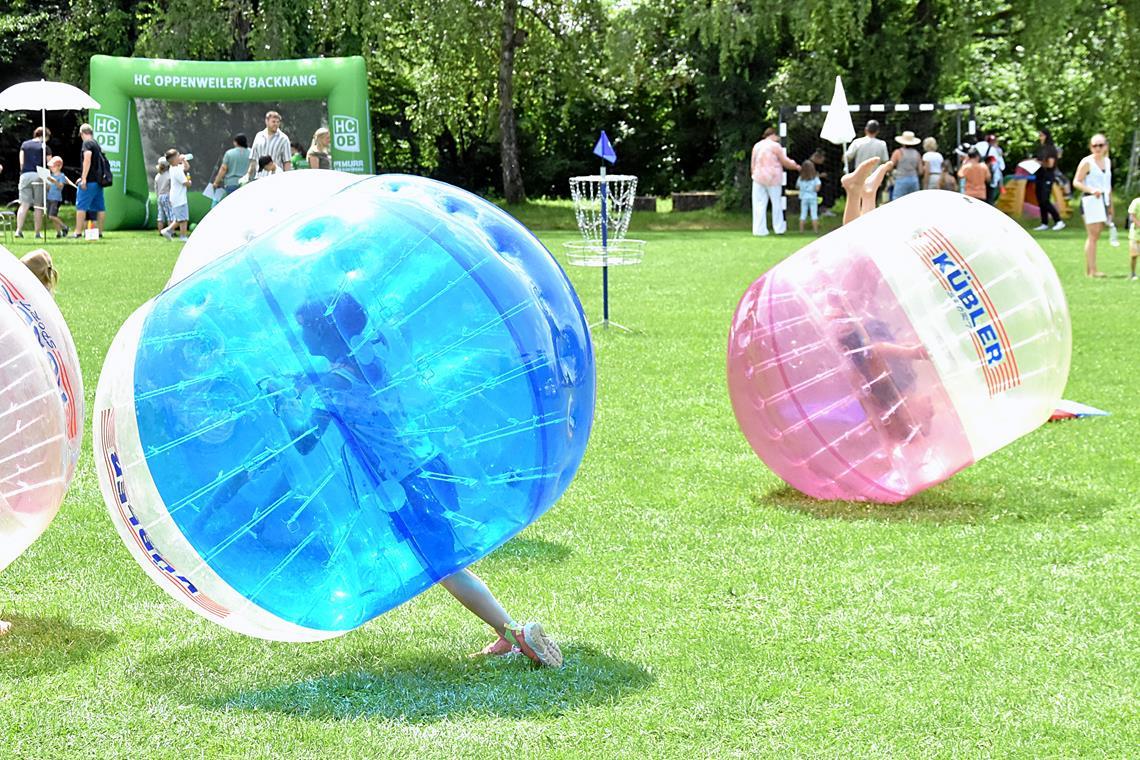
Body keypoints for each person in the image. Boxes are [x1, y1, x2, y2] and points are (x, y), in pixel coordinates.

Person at [275, 294, 563, 666]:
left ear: (322, 332)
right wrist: (308, 379)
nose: (299, 336)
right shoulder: (366, 363)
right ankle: (505, 633)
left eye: (303, 327)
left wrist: (283, 405)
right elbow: (342, 382)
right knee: (445, 561)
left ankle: (516, 633)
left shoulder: (331, 388)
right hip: (424, 465)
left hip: (407, 484)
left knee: (443, 566)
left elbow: (306, 442)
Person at [1073, 133, 1113, 278]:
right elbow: (1076, 181)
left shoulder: (1107, 162)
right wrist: (1091, 190)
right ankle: (1091, 270)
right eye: (1094, 145)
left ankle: (1093, 268)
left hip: (1103, 200)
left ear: (1106, 147)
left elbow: (1108, 185)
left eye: (1100, 145)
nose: (1097, 148)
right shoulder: (1087, 162)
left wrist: (1110, 206)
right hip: (1090, 200)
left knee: (1096, 235)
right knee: (1092, 235)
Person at [750, 127, 800, 236]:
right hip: (773, 178)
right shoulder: (775, 146)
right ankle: (779, 228)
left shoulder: (757, 145)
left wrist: (753, 173)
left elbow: (753, 163)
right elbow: (785, 161)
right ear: (773, 135)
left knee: (759, 204)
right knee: (777, 203)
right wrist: (796, 166)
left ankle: (759, 230)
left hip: (758, 177)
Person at [15, 126, 51, 239]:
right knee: (38, 206)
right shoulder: (44, 147)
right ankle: (37, 233)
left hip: (25, 175)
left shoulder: (24, 145)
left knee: (24, 204)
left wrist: (23, 172)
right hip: (39, 175)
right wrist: (48, 180)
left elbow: (21, 162)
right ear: (45, 136)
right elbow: (49, 163)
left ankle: (18, 230)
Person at [74, 123, 107, 238]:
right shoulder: (96, 144)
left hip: (89, 181)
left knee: (81, 206)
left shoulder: (87, 143)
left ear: (82, 133)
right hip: (98, 181)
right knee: (100, 207)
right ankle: (99, 232)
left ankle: (78, 232)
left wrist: (83, 178)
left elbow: (87, 159)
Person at [1033, 129, 1064, 231]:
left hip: (1047, 176)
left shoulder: (1050, 149)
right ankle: (1044, 222)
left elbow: (1050, 164)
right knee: (1040, 200)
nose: (1040, 137)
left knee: (1045, 200)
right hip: (1039, 176)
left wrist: (1040, 163)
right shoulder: (1041, 148)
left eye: (1042, 135)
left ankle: (1058, 221)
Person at [246, 110, 291, 180]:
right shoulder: (259, 136)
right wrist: (248, 175)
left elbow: (287, 162)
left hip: (276, 177)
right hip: (259, 177)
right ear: (266, 121)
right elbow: (253, 159)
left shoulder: (284, 139)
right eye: (273, 122)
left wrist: (287, 178)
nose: (276, 124)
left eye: (278, 122)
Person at [160, 149, 191, 241]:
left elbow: (186, 168)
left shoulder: (176, 167)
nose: (180, 156)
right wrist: (189, 181)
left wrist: (184, 160)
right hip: (178, 197)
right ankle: (183, 236)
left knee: (180, 218)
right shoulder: (176, 170)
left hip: (178, 197)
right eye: (178, 156)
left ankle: (167, 231)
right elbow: (186, 183)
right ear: (173, 159)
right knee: (183, 219)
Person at [211, 133, 250, 204]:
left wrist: (216, 182)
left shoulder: (229, 153)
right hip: (247, 183)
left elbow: (223, 169)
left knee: (233, 205)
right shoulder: (251, 152)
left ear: (235, 142)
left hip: (231, 183)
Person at [42, 156, 72, 238]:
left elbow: (60, 187)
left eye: (53, 166)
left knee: (52, 216)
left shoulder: (61, 176)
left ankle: (65, 227)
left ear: (59, 166)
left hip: (56, 199)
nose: (51, 168)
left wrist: (55, 182)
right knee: (51, 216)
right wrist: (46, 184)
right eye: (50, 166)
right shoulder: (50, 175)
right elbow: (48, 188)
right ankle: (58, 232)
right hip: (49, 197)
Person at [889, 131, 923, 199]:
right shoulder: (917, 154)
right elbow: (921, 171)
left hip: (901, 179)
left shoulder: (898, 152)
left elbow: (890, 166)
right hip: (914, 179)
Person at [796, 161, 822, 233]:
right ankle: (816, 230)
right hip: (812, 197)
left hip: (803, 197)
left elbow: (798, 186)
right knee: (814, 214)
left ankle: (801, 230)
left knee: (803, 214)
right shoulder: (815, 178)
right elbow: (817, 188)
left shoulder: (800, 178)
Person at [155, 157, 172, 234]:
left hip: (159, 196)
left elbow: (156, 188)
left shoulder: (157, 176)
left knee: (160, 216)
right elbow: (171, 187)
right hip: (167, 196)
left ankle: (160, 231)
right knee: (170, 215)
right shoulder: (169, 175)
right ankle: (170, 231)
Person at [1128, 194, 1140, 281]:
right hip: (1135, 234)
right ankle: (1133, 273)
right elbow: (1132, 216)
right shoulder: (1136, 202)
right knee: (1134, 255)